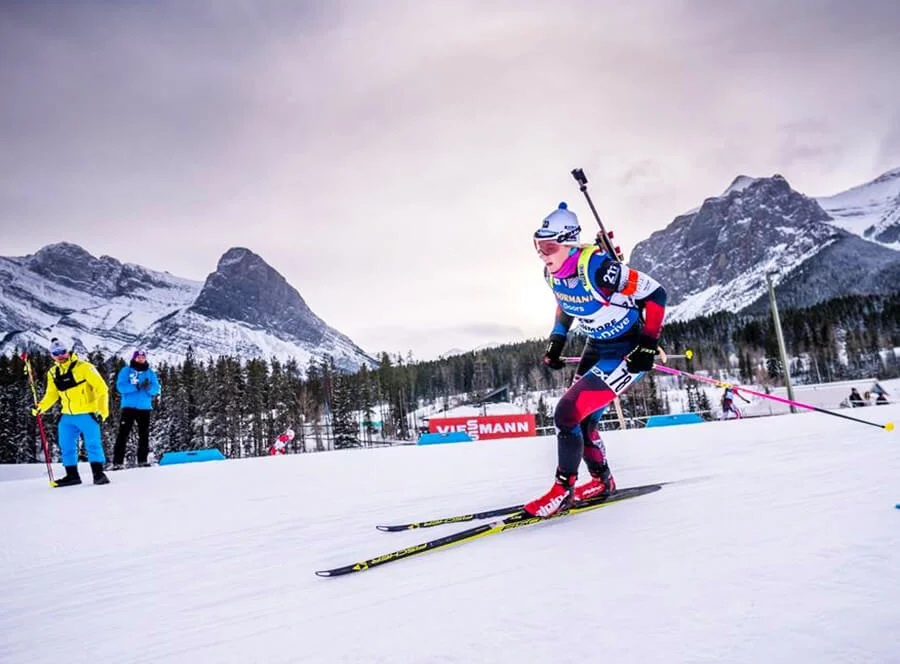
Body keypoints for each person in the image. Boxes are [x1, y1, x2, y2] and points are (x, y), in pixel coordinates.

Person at [524, 202, 667, 518]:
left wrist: (647, 345)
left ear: (570, 242)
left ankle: (563, 490)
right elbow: (565, 304)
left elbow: (657, 295)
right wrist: (556, 342)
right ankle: (603, 481)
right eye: (538, 246)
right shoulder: (551, 275)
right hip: (596, 346)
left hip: (626, 352)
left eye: (549, 246)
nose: (543, 254)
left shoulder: (600, 269)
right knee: (584, 420)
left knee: (566, 413)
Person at [30, 337, 110, 487]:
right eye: (56, 353)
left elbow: (102, 389)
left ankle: (98, 474)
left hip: (88, 413)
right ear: (52, 355)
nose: (60, 355)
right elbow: (52, 394)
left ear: (68, 351)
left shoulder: (85, 367)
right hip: (67, 416)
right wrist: (40, 407)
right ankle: (72, 476)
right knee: (66, 446)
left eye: (62, 352)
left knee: (93, 444)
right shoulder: (53, 372)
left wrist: (102, 411)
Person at [112, 349, 161, 470]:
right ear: (134, 358)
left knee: (144, 435)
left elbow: (156, 389)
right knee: (123, 434)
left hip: (144, 408)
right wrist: (136, 386)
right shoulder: (126, 371)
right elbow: (120, 387)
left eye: (142, 357)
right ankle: (117, 463)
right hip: (129, 407)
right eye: (138, 357)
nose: (140, 359)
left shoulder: (150, 373)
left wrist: (149, 387)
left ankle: (142, 461)